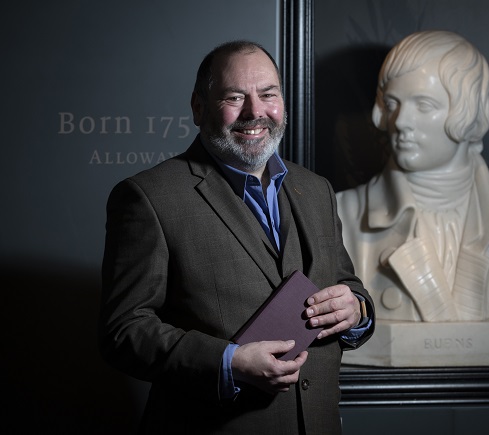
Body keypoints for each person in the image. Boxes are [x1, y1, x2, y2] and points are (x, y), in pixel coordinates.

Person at [99, 40, 374, 435]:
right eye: (234, 97)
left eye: (268, 95)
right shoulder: (148, 198)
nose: (255, 112)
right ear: (198, 108)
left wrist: (357, 312)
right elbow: (122, 331)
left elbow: (347, 287)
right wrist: (229, 362)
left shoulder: (316, 190)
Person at [336, 30, 489, 323]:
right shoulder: (343, 214)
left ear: (468, 114)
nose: (400, 121)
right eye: (392, 104)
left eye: (424, 105)